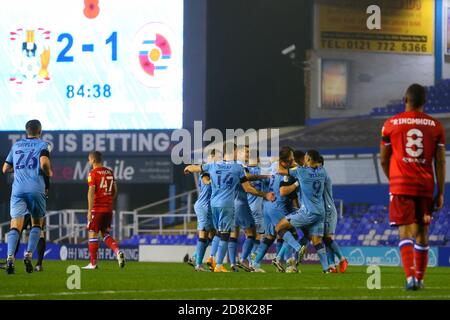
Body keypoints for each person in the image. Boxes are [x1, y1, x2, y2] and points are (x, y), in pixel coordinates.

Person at [380, 83, 446, 290]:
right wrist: (441, 191)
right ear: (425, 102)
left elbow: (383, 159)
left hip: (400, 184)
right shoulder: (436, 126)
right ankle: (421, 278)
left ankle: (410, 279)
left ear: (405, 100)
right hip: (425, 185)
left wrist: (392, 179)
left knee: (404, 231)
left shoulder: (390, 124)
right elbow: (441, 161)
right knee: (422, 232)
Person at [184, 142, 275, 272]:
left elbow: (194, 168)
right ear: (234, 152)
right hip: (227, 204)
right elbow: (248, 188)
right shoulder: (237, 167)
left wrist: (187, 168)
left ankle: (208, 259)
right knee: (227, 235)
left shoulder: (212, 165)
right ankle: (220, 265)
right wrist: (264, 194)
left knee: (218, 234)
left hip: (213, 204)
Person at [2, 119, 52, 274]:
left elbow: (5, 168)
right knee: (37, 224)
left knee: (15, 225)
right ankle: (29, 256)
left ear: (26, 131)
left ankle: (10, 257)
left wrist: (18, 169)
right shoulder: (43, 145)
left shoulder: (16, 145)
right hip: (36, 188)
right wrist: (48, 172)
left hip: (18, 189)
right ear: (40, 131)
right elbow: (43, 163)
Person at [280, 150, 331, 273]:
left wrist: (279, 161)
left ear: (308, 159)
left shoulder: (302, 172)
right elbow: (317, 166)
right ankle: (326, 269)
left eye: (306, 158)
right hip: (321, 212)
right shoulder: (323, 172)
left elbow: (282, 170)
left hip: (308, 212)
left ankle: (297, 249)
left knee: (279, 227)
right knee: (316, 241)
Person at [82, 151, 125, 270]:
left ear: (93, 160)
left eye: (89, 159)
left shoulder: (93, 173)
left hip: (97, 208)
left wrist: (90, 210)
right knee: (104, 233)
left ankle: (93, 263)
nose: (89, 162)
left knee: (92, 232)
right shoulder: (110, 172)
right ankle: (117, 252)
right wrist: (108, 199)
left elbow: (91, 191)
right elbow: (115, 190)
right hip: (108, 208)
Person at [319, 156, 348, 273]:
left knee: (327, 238)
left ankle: (341, 259)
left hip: (328, 210)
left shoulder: (323, 175)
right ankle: (331, 265)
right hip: (324, 210)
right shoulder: (321, 175)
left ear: (319, 164)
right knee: (326, 239)